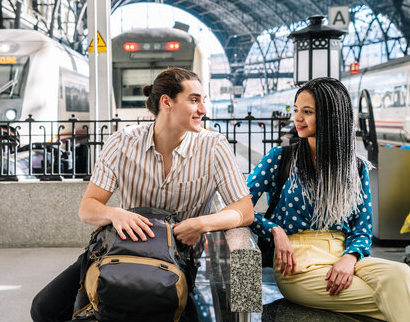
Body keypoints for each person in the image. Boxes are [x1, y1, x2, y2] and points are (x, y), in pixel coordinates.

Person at [31, 67, 254, 322]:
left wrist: (202, 224)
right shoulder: (122, 142)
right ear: (167, 102)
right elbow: (88, 208)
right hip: (120, 251)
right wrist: (115, 213)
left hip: (174, 263)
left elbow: (244, 209)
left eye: (204, 100)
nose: (203, 109)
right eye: (194, 100)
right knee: (44, 308)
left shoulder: (214, 146)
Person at [248, 77, 410, 321]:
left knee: (401, 273)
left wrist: (350, 257)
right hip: (298, 264)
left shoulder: (355, 168)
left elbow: (362, 227)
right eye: (296, 110)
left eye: (308, 112)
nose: (297, 118)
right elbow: (241, 207)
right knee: (397, 295)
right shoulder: (281, 158)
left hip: (343, 256)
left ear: (331, 117)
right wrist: (274, 231)